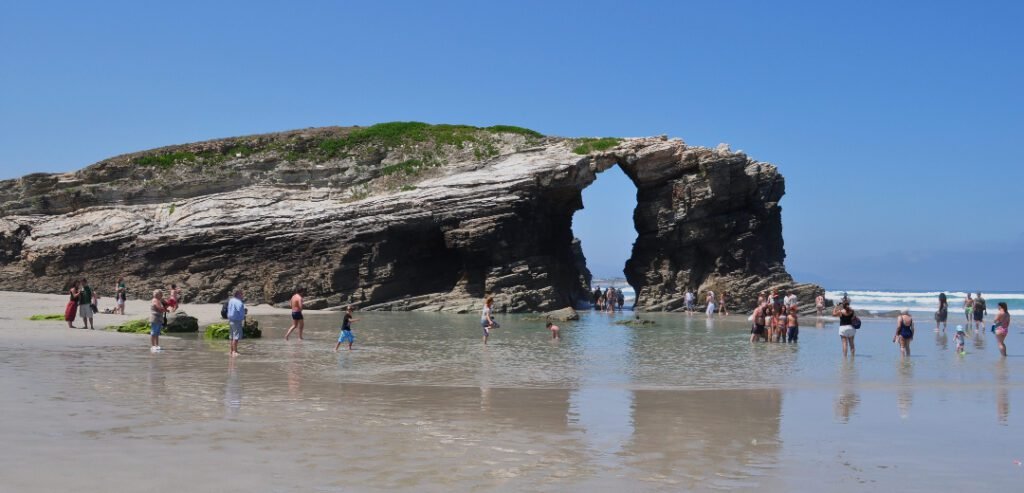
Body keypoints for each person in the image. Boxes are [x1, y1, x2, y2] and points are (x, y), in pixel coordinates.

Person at [226, 289, 245, 356]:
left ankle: (231, 351)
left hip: (230, 320)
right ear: (238, 294)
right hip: (236, 320)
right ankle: (235, 351)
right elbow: (240, 311)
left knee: (231, 336)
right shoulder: (239, 302)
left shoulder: (231, 300)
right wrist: (244, 315)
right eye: (242, 294)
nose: (243, 295)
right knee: (236, 336)